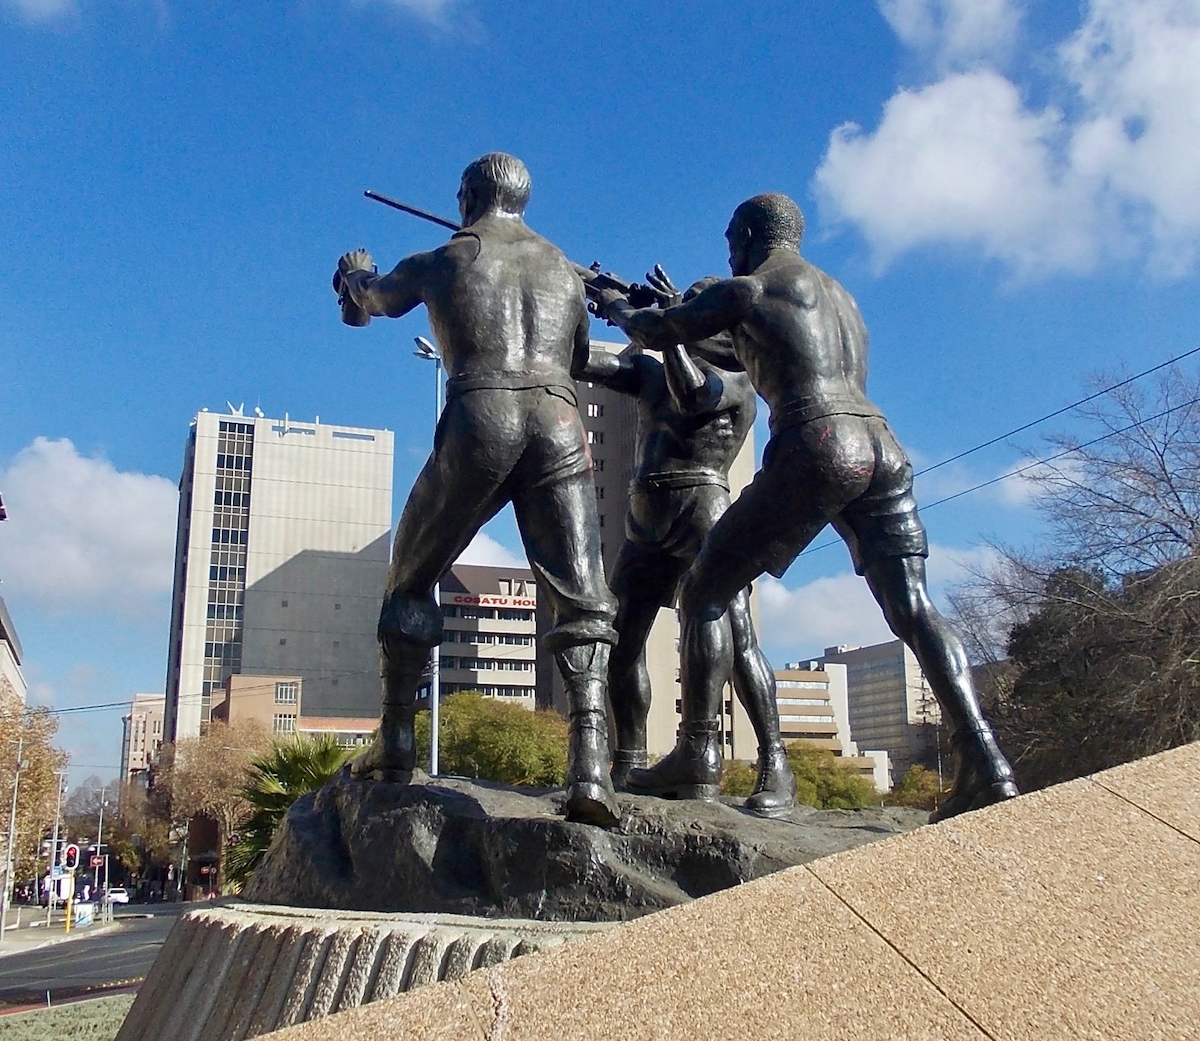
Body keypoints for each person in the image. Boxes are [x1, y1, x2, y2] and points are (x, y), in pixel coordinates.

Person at [586, 193, 1018, 821]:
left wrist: (624, 307)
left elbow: (657, 333)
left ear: (754, 234)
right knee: (913, 606)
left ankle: (697, 751)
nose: (728, 248)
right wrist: (679, 308)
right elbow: (729, 338)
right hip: (881, 440)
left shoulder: (750, 286)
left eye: (732, 236)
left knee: (705, 590)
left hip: (818, 438)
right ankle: (986, 760)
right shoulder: (840, 298)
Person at [334, 152, 621, 826]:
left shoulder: (442, 259)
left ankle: (396, 738)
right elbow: (579, 361)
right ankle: (591, 766)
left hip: (481, 413)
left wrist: (353, 277)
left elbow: (371, 301)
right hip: (557, 416)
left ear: (467, 198)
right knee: (584, 599)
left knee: (408, 581)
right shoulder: (563, 269)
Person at [577, 271, 795, 814]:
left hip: (703, 507)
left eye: (696, 308)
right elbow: (584, 361)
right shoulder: (654, 370)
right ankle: (627, 760)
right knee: (621, 641)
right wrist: (582, 302)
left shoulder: (739, 378)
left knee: (737, 639)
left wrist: (665, 327)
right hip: (644, 517)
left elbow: (697, 399)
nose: (686, 313)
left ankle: (770, 760)